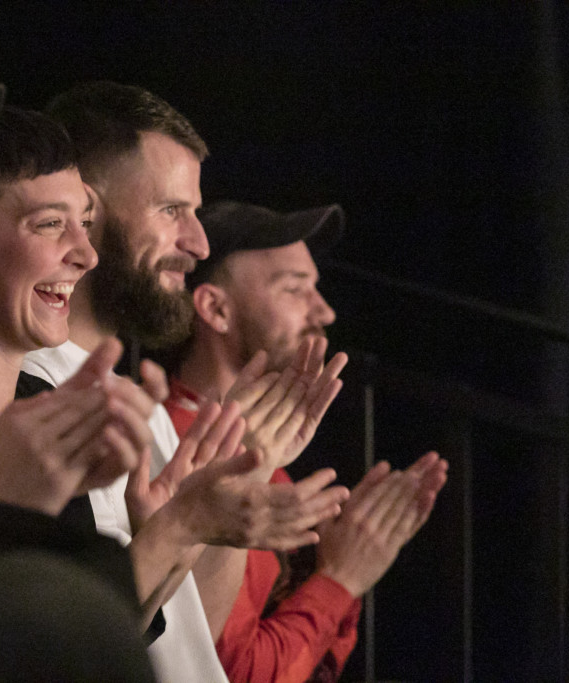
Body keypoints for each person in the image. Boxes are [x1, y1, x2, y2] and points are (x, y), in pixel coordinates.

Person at [25, 81, 352, 682]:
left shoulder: (139, 407)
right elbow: (52, 649)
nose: (197, 243)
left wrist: (237, 481)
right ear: (87, 212)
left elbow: (190, 638)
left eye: (195, 214)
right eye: (172, 211)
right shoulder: (31, 392)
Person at [167, 199, 450, 682]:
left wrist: (339, 563)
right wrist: (339, 579)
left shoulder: (271, 461)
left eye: (316, 288)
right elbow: (231, 672)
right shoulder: (172, 446)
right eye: (296, 290)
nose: (325, 310)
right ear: (215, 308)